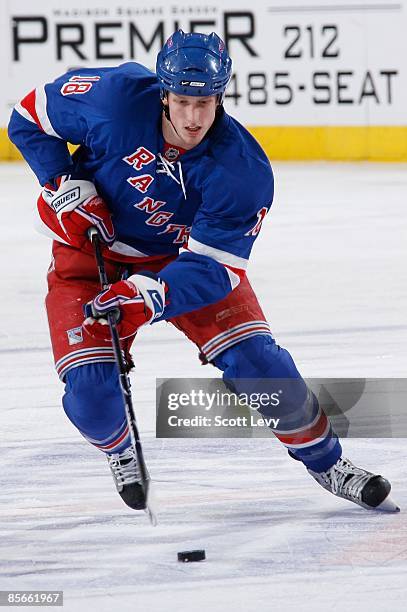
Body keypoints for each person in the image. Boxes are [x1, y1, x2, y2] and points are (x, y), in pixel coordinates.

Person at [8, 30, 398, 514]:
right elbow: (26, 117)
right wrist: (62, 182)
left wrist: (149, 296)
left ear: (222, 96)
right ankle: (120, 449)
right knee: (90, 398)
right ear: (163, 92)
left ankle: (327, 463)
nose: (195, 118)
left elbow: (216, 268)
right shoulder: (112, 99)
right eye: (185, 101)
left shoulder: (242, 171)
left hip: (181, 262)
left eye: (207, 102)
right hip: (89, 258)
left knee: (263, 367)